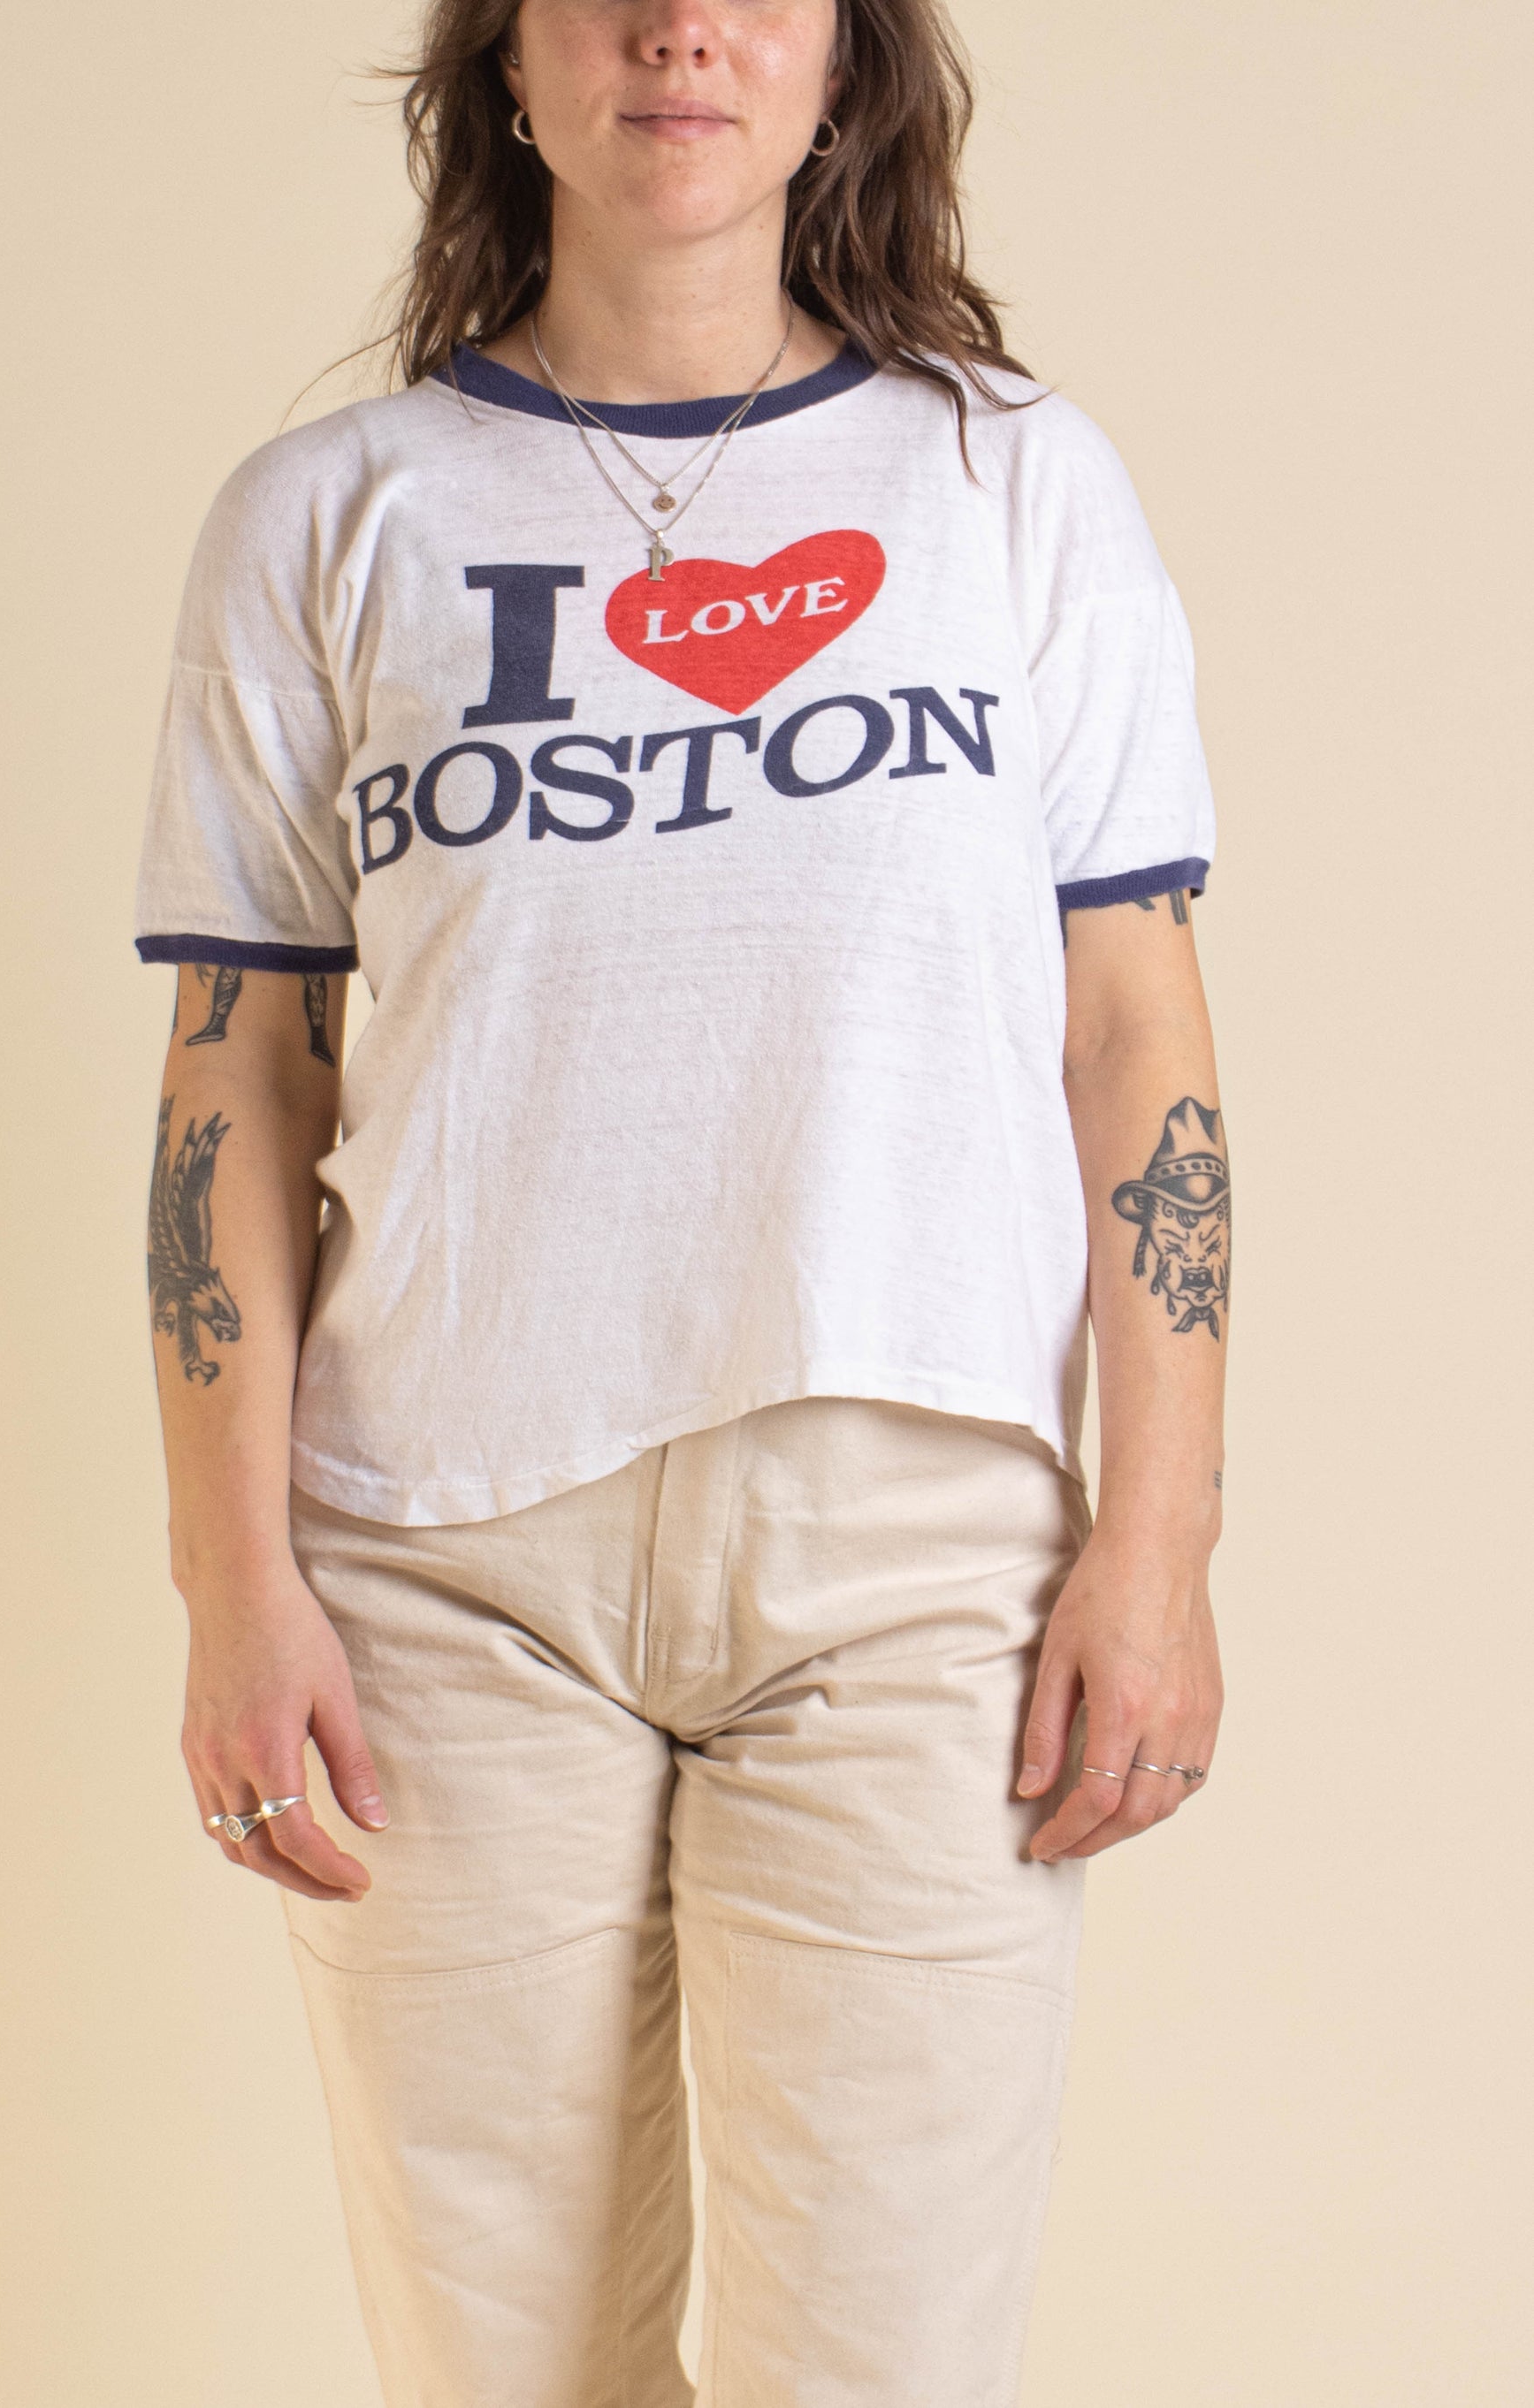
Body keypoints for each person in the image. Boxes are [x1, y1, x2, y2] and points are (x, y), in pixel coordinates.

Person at [134, 0, 1228, 2397]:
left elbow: (1134, 1035)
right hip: (443, 1577)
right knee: (503, 2371)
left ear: (840, 67)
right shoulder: (329, 515)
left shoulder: (1010, 486)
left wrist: (1157, 1544)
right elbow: (236, 1075)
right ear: (506, 67)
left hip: (913, 1566)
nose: (678, 28)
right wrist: (232, 1583)